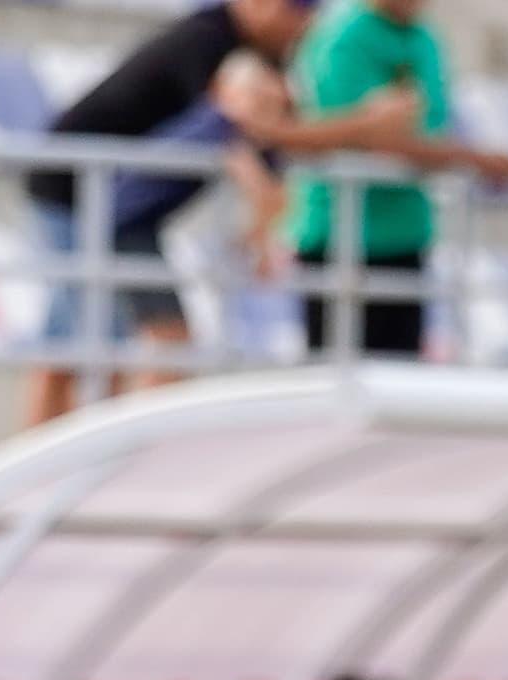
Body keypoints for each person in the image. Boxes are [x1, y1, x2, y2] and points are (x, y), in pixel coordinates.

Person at [21, 0, 416, 424]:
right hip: (77, 193)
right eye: (295, 10)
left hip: (112, 205)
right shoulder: (207, 42)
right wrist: (361, 127)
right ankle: (98, 458)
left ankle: (93, 459)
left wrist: (263, 221)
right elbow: (247, 134)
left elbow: (262, 142)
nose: (303, 23)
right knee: (92, 344)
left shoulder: (241, 60)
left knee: (94, 344)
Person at [289, 0, 508, 359]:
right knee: (337, 381)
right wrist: (475, 160)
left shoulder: (423, 36)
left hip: (406, 236)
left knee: (398, 379)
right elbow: (369, 138)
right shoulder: (343, 36)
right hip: (342, 236)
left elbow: (425, 128)